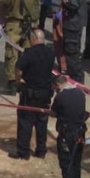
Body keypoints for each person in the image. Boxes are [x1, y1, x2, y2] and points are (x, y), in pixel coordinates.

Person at [10, 29, 54, 160]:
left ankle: (23, 153)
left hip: (29, 95)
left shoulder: (29, 54)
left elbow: (18, 67)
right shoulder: (50, 53)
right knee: (42, 124)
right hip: (45, 94)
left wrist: (19, 79)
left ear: (33, 39)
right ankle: (41, 151)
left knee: (25, 123)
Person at [50, 73, 89, 178]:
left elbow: (53, 113)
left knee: (67, 168)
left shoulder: (60, 97)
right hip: (80, 135)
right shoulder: (80, 93)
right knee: (76, 165)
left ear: (58, 85)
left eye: (55, 87)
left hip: (67, 136)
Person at [0, 0, 38, 95]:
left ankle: (11, 84)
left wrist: (4, 18)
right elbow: (36, 11)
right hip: (28, 27)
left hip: (14, 25)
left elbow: (3, 3)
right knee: (25, 55)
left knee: (11, 55)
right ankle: (23, 81)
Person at [56, 0, 87, 83]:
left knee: (72, 54)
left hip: (73, 24)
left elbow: (73, 5)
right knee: (70, 52)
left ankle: (77, 81)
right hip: (70, 22)